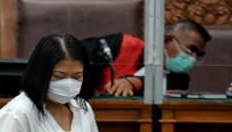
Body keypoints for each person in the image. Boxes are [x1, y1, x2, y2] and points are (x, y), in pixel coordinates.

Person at [82, 19, 211, 96]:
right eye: (191, 50)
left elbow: (158, 81)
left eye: (198, 55)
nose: (193, 58)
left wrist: (133, 82)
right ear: (167, 40)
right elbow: (73, 59)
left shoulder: (180, 79)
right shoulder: (122, 44)